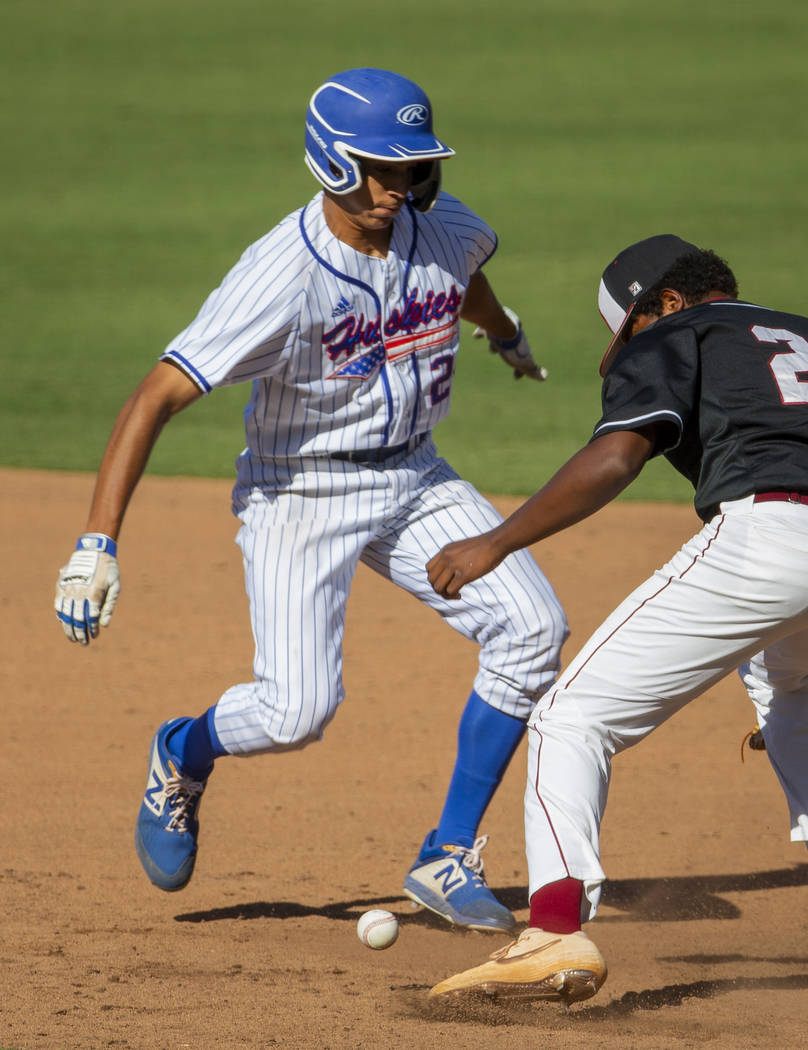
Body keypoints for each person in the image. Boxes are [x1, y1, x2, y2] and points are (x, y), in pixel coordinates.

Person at [53, 68, 567, 935]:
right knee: (296, 712)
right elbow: (155, 396)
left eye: (410, 170)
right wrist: (96, 545)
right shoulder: (280, 277)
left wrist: (504, 333)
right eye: (378, 169)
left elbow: (462, 276)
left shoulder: (448, 231)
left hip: (417, 476)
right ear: (331, 163)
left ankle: (446, 855)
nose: (395, 189)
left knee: (534, 628)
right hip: (302, 490)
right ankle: (182, 753)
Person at [424, 235, 808, 1003]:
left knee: (569, 719)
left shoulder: (677, 331)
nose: (630, 348)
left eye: (630, 330)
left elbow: (615, 459)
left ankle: (550, 932)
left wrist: (494, 542)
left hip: (774, 536)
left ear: (664, 303)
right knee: (789, 673)